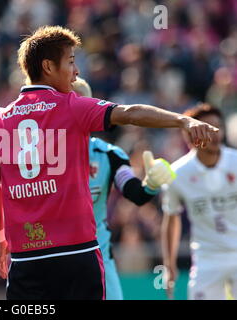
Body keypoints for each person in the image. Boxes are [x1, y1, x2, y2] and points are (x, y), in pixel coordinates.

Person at [0, 25, 218, 300]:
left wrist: (0, 241)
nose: (76, 71)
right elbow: (131, 113)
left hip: (25, 259)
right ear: (48, 66)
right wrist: (182, 120)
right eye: (71, 62)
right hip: (77, 252)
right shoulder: (71, 106)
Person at [72, 77, 176, 300]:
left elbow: (135, 194)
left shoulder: (109, 155)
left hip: (98, 256)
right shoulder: (41, 158)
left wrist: (152, 184)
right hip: (55, 257)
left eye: (82, 106)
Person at [161, 103, 237, 300]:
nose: (215, 134)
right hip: (207, 258)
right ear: (191, 136)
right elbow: (171, 217)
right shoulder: (177, 173)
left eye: (217, 128)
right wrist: (169, 265)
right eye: (208, 128)